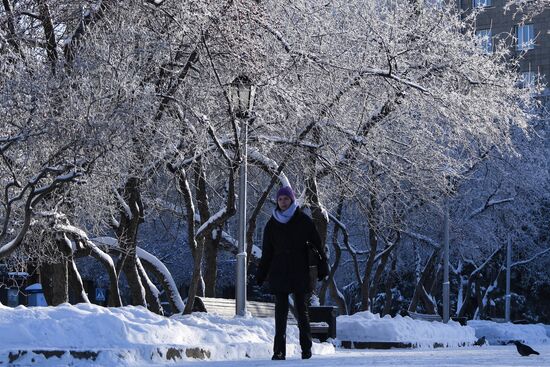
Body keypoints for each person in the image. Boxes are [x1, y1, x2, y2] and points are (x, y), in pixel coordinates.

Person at [256, 186, 329, 360]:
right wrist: (261, 273)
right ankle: (279, 351)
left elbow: (317, 245)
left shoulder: (303, 220)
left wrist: (322, 266)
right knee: (280, 312)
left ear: (292, 200)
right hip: (279, 270)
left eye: (286, 199)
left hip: (299, 268)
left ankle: (306, 348)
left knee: (301, 309)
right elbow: (267, 252)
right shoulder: (272, 224)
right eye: (280, 199)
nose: (283, 202)